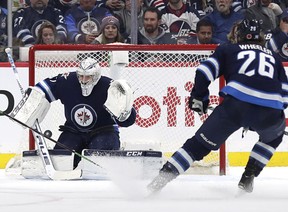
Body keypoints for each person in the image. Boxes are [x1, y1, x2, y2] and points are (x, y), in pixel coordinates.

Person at [147, 19, 288, 194]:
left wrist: (199, 97)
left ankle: (157, 183)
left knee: (197, 147)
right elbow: (284, 95)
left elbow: (204, 71)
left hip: (235, 107)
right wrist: (262, 116)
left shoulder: (228, 49)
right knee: (273, 137)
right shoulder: (274, 57)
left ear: (239, 35)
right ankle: (248, 178)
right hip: (270, 110)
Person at [31, 57, 136, 168]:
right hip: (74, 131)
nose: (84, 80)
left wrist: (126, 112)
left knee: (100, 163)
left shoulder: (110, 87)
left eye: (88, 77)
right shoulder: (68, 81)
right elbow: (43, 88)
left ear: (96, 76)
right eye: (81, 76)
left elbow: (127, 121)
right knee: (60, 162)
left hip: (104, 131)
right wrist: (32, 98)